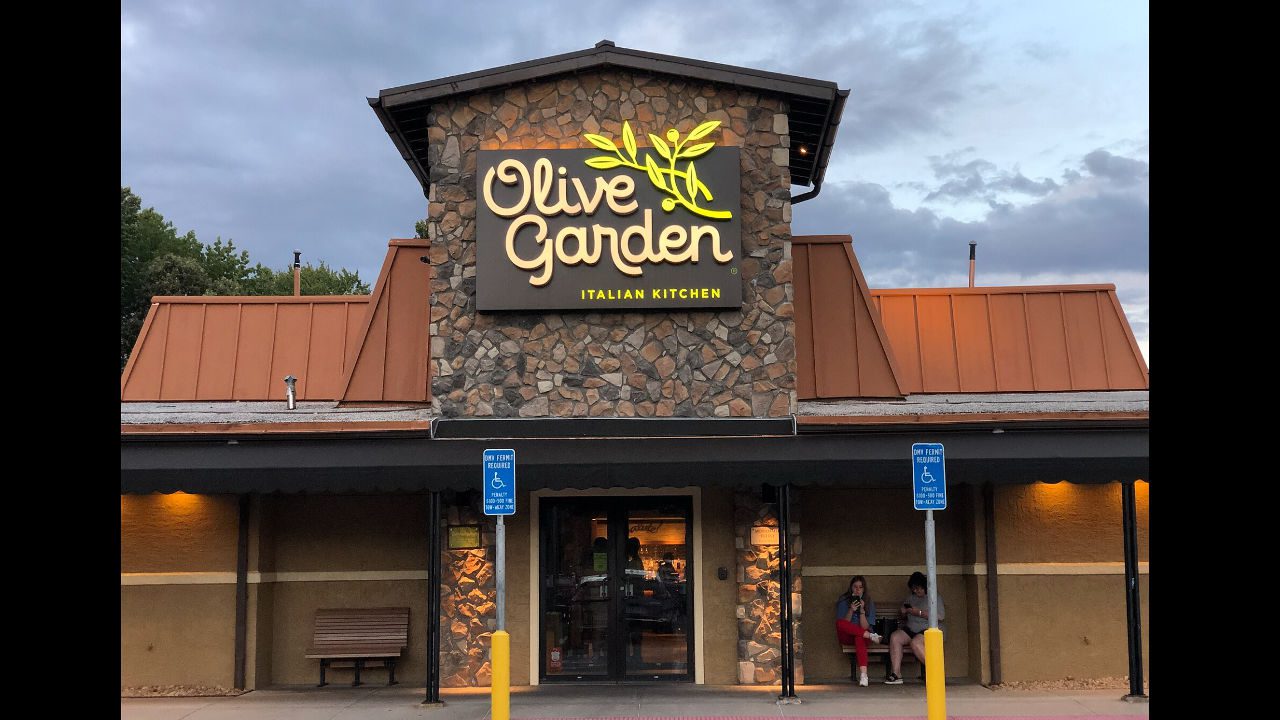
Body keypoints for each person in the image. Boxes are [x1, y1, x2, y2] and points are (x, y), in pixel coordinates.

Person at [884, 571, 945, 684]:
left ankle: (936, 673)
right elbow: (903, 615)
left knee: (915, 643)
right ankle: (896, 674)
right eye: (914, 589)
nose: (916, 591)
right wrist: (903, 611)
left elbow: (940, 617)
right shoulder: (911, 598)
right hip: (911, 628)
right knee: (895, 637)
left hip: (928, 629)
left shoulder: (934, 596)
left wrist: (919, 612)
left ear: (924, 586)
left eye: (918, 588)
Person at [835, 575, 883, 687]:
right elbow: (843, 623)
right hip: (847, 635)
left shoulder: (868, 602)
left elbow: (865, 626)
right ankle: (871, 636)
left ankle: (863, 675)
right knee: (839, 623)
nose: (857, 589)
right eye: (855, 587)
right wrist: (851, 609)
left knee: (859, 637)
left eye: (860, 587)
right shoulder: (844, 600)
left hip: (861, 635)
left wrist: (862, 610)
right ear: (851, 588)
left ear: (864, 589)